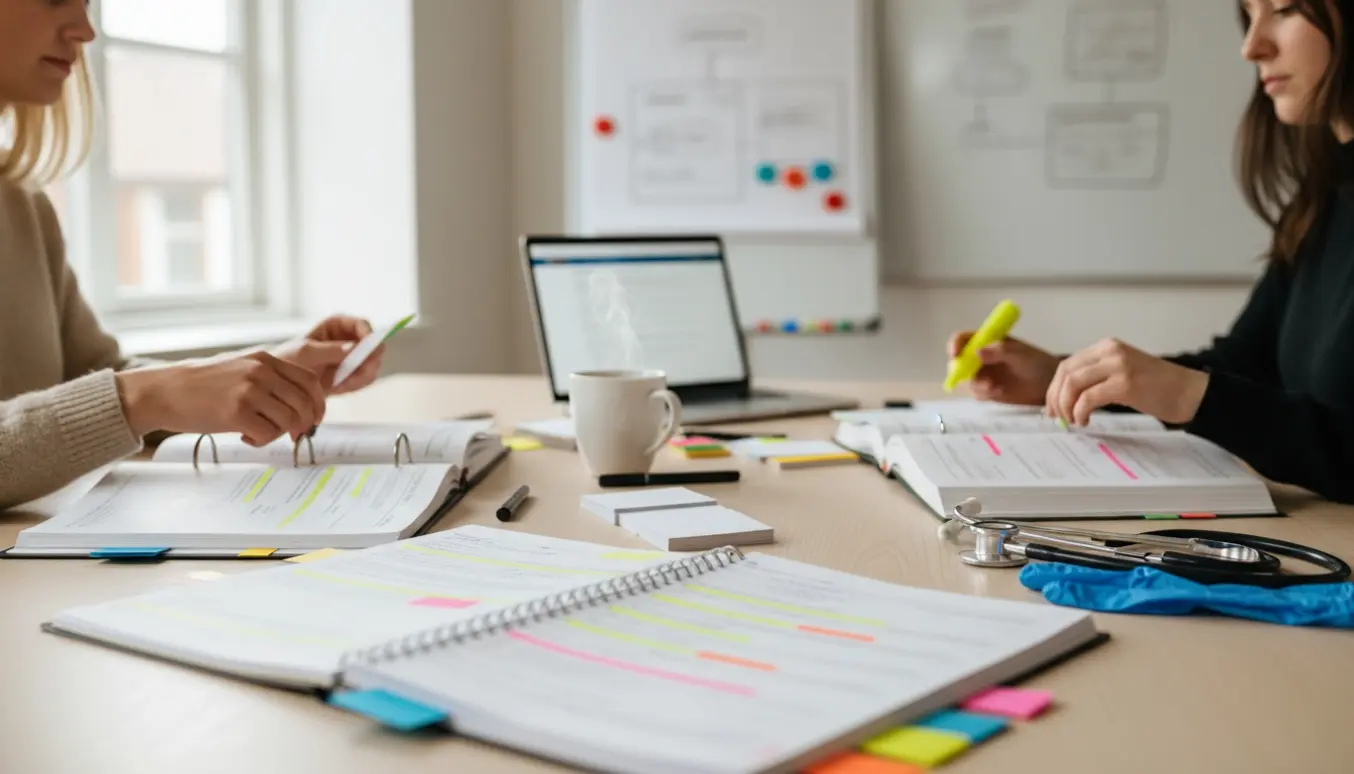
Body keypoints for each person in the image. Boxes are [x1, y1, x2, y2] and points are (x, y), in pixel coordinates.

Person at [948, 0, 1354, 505]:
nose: (1252, 46)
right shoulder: (1321, 202)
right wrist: (1064, 376)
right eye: (1249, 15)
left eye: (1285, 9)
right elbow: (1244, 368)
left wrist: (1186, 395)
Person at [0, 0, 385, 508]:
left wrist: (265, 374)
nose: (85, 30)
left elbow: (95, 378)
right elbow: (123, 395)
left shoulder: (21, 205)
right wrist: (148, 395)